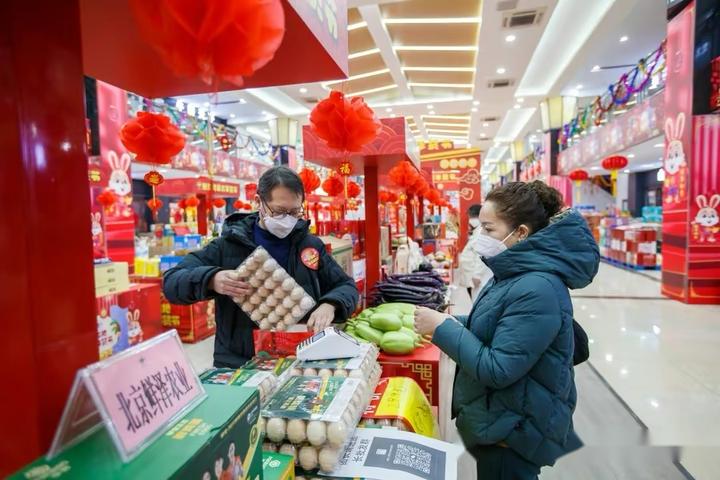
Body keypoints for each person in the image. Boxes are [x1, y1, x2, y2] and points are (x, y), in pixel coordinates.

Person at [414, 181, 599, 479]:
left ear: (521, 233)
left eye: (489, 230)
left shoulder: (537, 287)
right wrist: (449, 322)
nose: (479, 238)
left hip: (513, 430)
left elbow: (498, 368)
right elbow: (497, 325)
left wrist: (442, 330)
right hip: (504, 415)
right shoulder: (514, 271)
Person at [164, 166, 359, 368]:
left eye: (295, 212)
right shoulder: (226, 246)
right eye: (279, 211)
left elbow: (346, 286)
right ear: (258, 202)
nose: (288, 219)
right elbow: (172, 282)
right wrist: (212, 279)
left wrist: (331, 304)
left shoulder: (310, 246)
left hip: (301, 358)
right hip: (240, 361)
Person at [458, 203, 492, 299]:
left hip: (476, 278)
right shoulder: (477, 230)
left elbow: (481, 254)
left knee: (477, 298)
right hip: (471, 276)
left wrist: (477, 275)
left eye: (470, 217)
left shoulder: (481, 232)